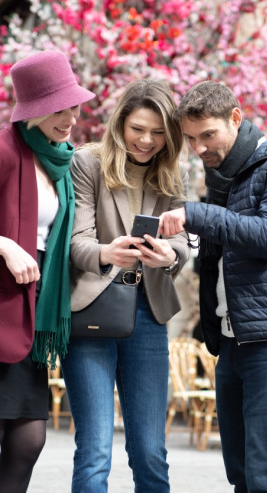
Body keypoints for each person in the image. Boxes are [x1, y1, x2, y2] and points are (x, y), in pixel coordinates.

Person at [159, 81, 267, 493]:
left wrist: (195, 215)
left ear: (236, 117)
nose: (198, 148)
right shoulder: (222, 177)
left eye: (207, 135)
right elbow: (218, 259)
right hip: (234, 340)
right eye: (191, 139)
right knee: (242, 474)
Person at [60, 79, 190, 493]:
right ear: (120, 124)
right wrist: (106, 252)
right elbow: (75, 244)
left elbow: (181, 243)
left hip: (149, 314)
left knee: (151, 451)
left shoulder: (173, 172)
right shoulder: (88, 163)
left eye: (157, 132)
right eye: (138, 128)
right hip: (91, 313)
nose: (147, 141)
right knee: (96, 449)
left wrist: (171, 257)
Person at [0, 50, 95, 493]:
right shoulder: (3, 150)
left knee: (29, 438)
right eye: (60, 109)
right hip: (1, 303)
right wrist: (3, 245)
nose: (71, 118)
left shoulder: (60, 162)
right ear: (34, 109)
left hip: (31, 312)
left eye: (74, 106)